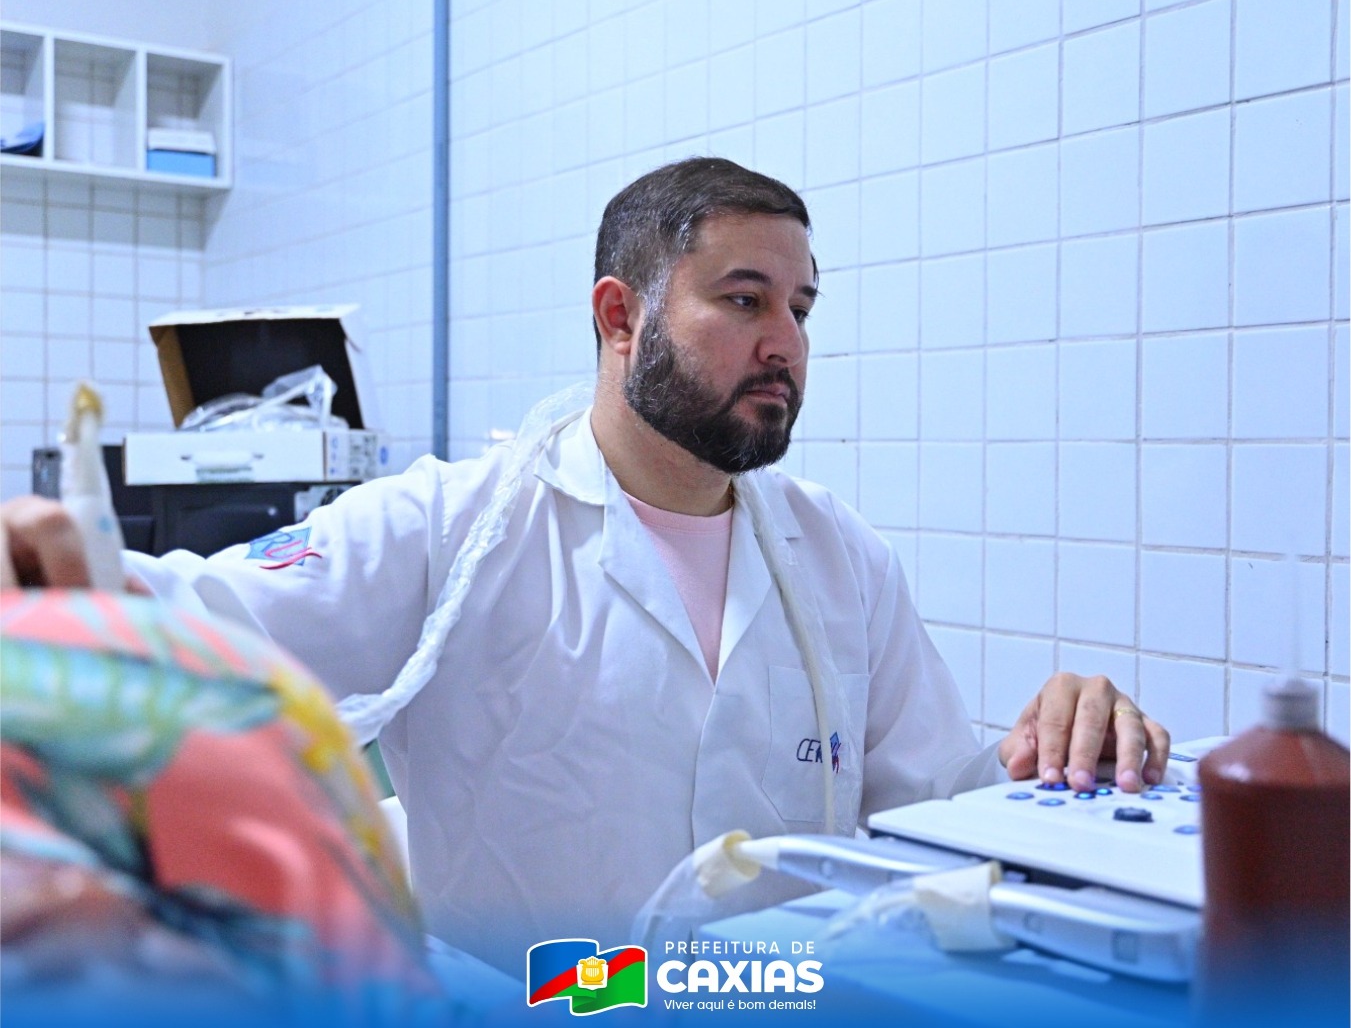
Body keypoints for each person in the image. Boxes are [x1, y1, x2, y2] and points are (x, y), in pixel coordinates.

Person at [1, 157, 1169, 976]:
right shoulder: (453, 526)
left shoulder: (839, 556)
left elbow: (942, 813)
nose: (786, 343)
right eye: (745, 300)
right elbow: (183, 620)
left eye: (801, 308)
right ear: (621, 318)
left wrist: (1059, 747)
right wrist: (43, 573)